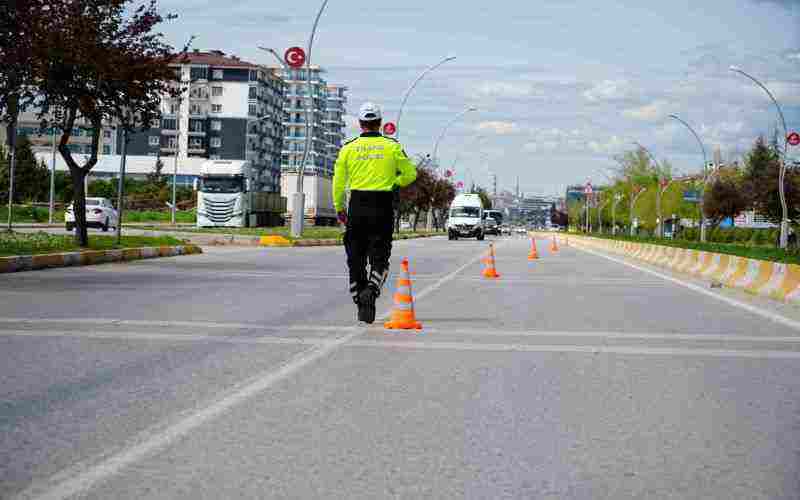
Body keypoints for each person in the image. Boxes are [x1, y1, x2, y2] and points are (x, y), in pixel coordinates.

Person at [333, 102, 418, 323]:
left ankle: (360, 298)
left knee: (355, 256)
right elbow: (410, 174)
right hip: (382, 205)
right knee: (380, 255)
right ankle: (371, 289)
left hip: (357, 205)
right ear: (379, 123)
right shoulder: (392, 147)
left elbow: (338, 183)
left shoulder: (348, 148)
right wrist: (393, 182)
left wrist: (340, 208)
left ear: (361, 124)